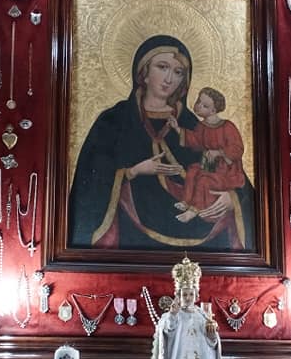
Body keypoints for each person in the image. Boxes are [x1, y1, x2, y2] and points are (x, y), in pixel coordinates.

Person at [68, 35, 254, 251]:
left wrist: (232, 199)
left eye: (178, 72)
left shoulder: (192, 124)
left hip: (195, 234)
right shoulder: (114, 120)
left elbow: (236, 178)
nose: (169, 79)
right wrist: (134, 171)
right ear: (144, 72)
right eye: (162, 67)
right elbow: (89, 185)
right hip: (130, 233)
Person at [168, 86, 245, 223]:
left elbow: (237, 148)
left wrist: (219, 153)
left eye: (204, 105)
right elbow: (195, 140)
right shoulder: (202, 126)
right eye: (198, 101)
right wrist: (177, 128)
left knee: (204, 181)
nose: (198, 106)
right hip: (208, 165)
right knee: (192, 171)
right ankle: (186, 201)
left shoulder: (227, 126)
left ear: (213, 110)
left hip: (227, 172)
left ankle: (194, 210)